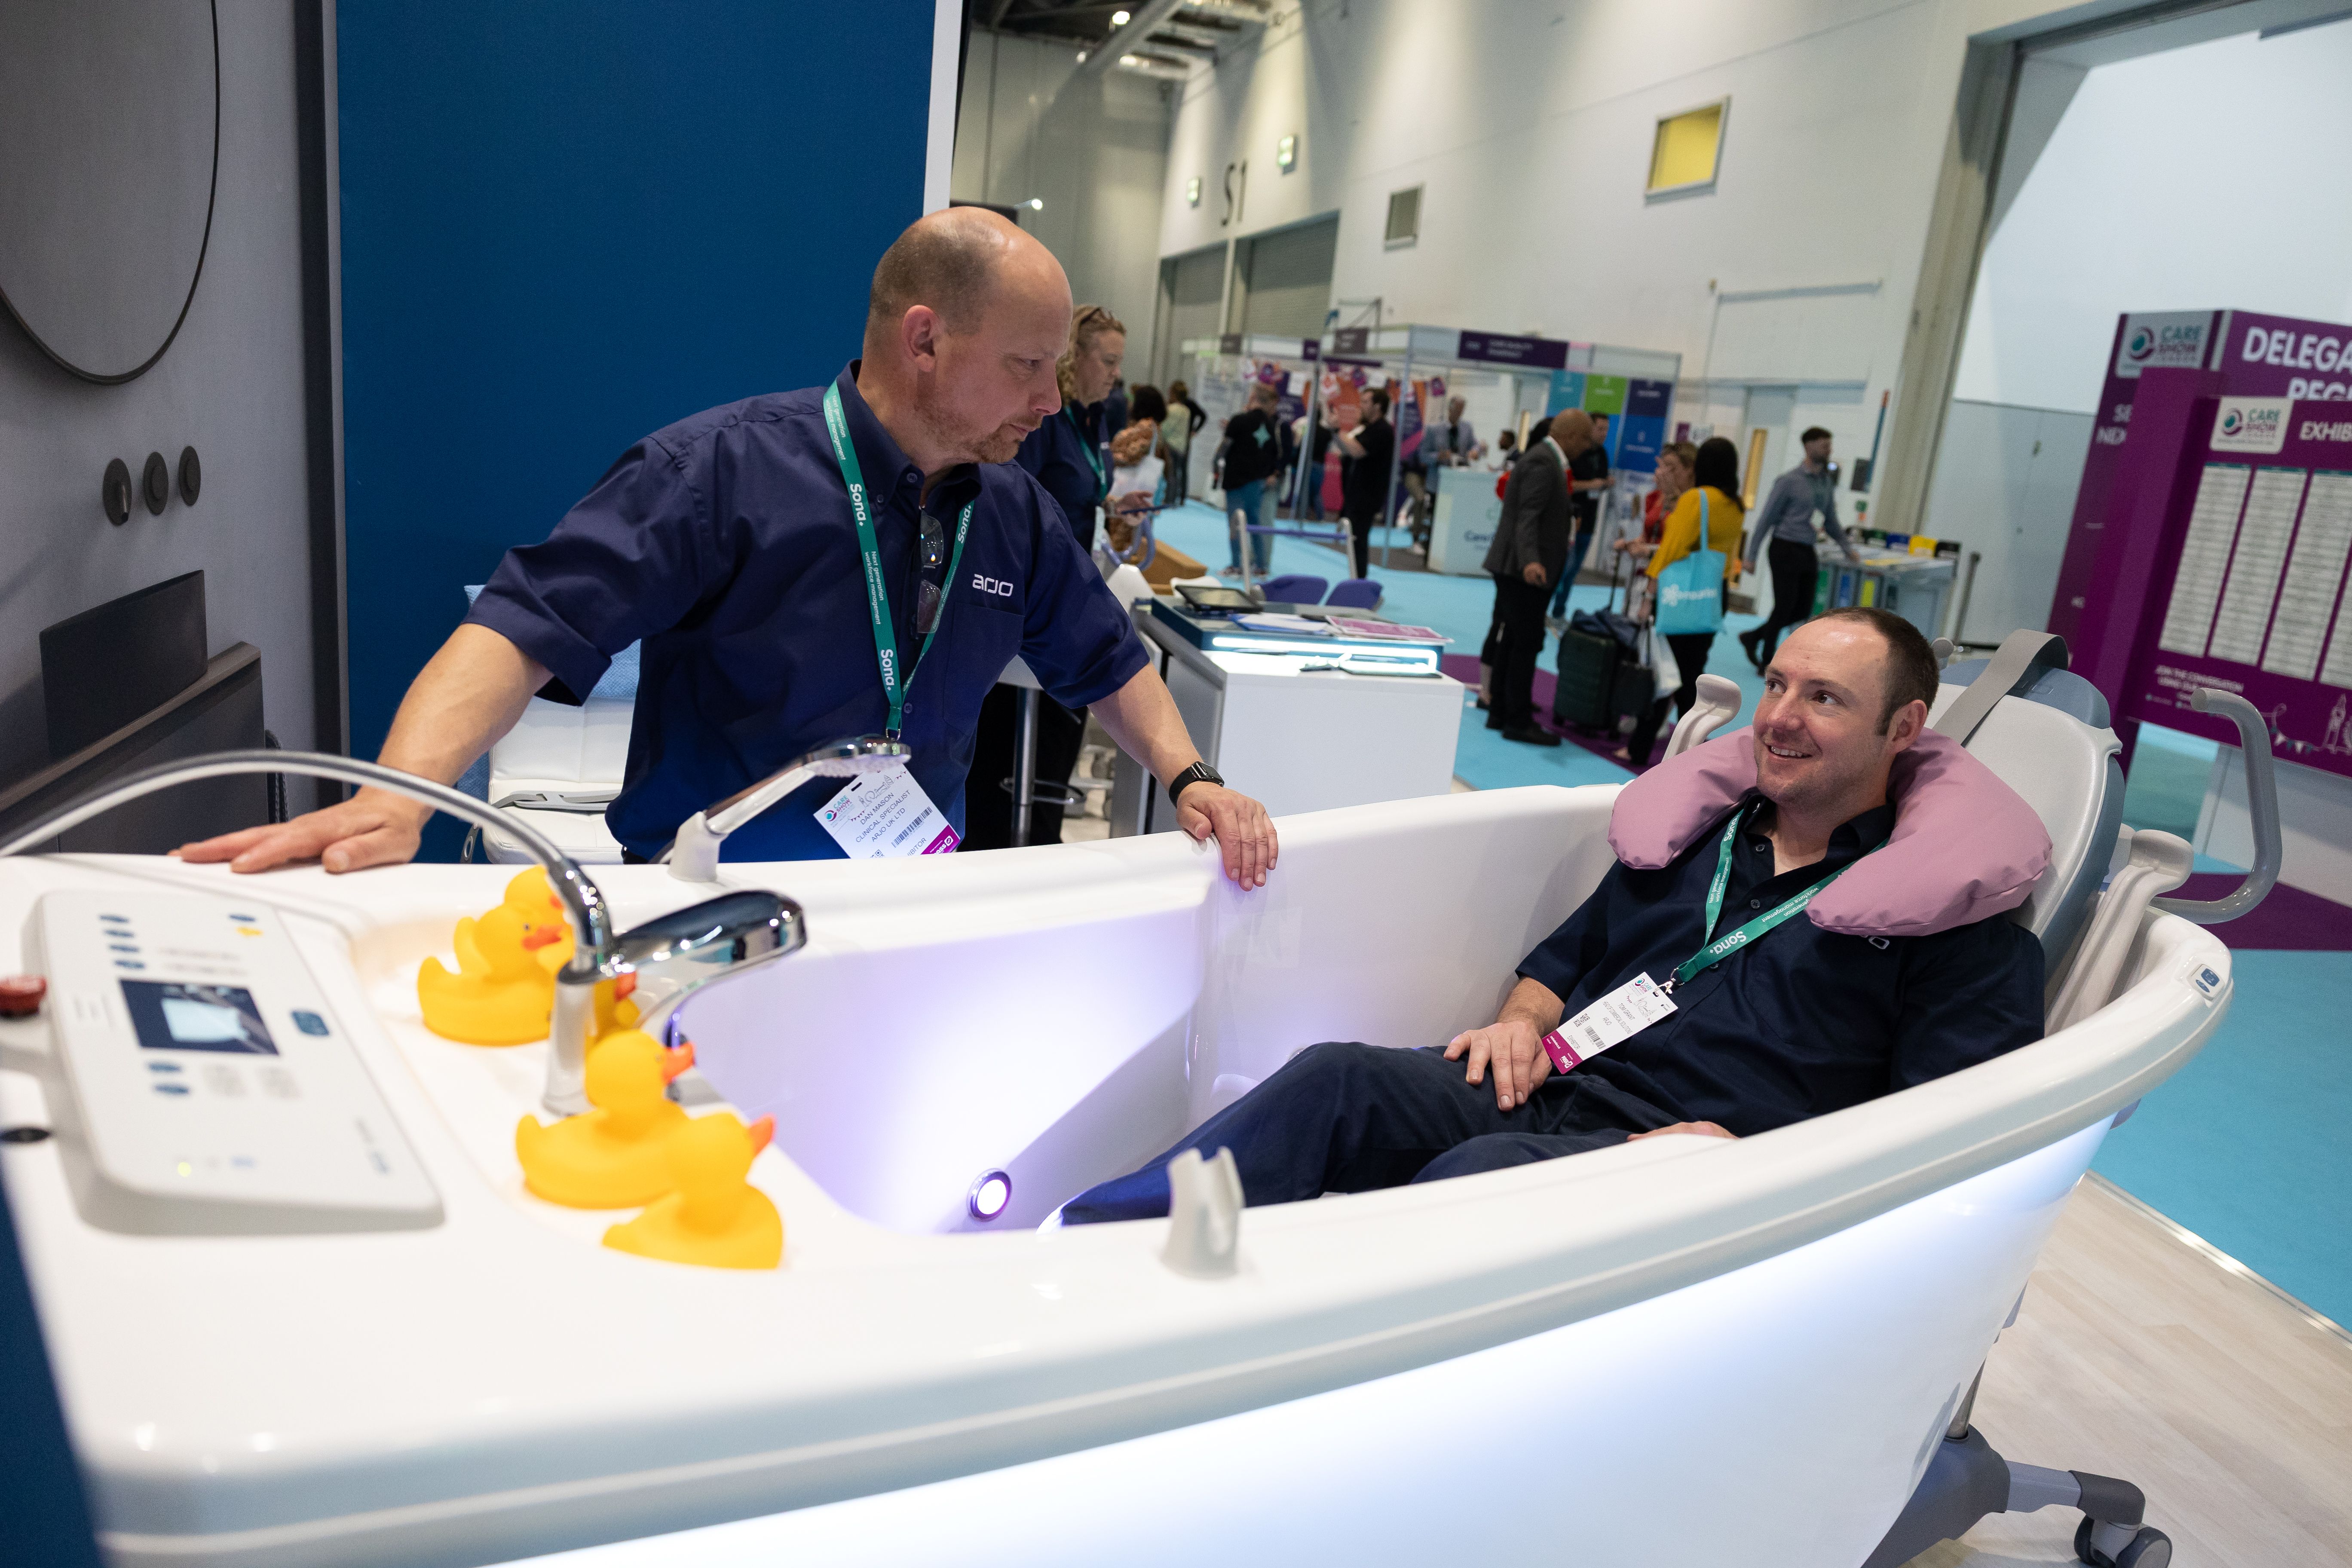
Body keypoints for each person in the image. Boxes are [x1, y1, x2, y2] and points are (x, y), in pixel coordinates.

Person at [181, 209, 1278, 887]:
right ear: (925, 341)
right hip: (709, 910)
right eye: (1027, 366)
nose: (1049, 400)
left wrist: (1190, 776)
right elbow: (522, 627)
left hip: (910, 905)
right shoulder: (718, 475)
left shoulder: (1013, 512)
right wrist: (400, 796)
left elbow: (1108, 661)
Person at [1059, 608, 2045, 1223]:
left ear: (1902, 729)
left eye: (1824, 699)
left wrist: (1735, 1166)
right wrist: (1519, 1024)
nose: (1780, 718)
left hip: (1699, 1173)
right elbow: (1564, 959)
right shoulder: (1705, 834)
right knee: (1337, 1078)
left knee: (1475, 1177)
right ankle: (1096, 1245)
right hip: (1554, 1083)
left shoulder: (1949, 926)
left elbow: (1939, 1147)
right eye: (1777, 685)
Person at [971, 303, 1152, 850]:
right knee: (1018, 751)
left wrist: (1113, 505)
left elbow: (1074, 492)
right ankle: (1009, 848)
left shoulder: (1098, 419)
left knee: (1058, 742)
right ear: (1076, 358)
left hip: (1070, 597)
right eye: (1108, 361)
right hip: (1031, 611)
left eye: (1120, 362)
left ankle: (1039, 843)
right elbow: (1012, 505)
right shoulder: (1044, 421)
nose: (1116, 373)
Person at [1621, 436, 1746, 767]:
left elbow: (1670, 552)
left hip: (1679, 594)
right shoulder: (1736, 506)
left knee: (1664, 671)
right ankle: (1693, 746)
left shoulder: (1696, 499)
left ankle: (1642, 747)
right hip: (1713, 594)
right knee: (1690, 673)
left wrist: (1649, 595)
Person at [1738, 426, 1859, 673]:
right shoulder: (1788, 481)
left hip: (1807, 550)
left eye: (1829, 445)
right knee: (1784, 606)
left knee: (1803, 609)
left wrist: (1847, 548)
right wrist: (1751, 556)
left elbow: (1831, 521)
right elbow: (1766, 519)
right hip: (1784, 548)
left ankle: (1754, 637)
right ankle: (1767, 660)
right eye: (1825, 445)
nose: (1829, 450)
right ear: (1808, 446)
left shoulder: (1826, 483)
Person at [1480, 413, 1566, 747]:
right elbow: (1528, 516)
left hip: (1517, 565)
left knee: (1513, 638)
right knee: (1524, 642)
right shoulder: (1544, 462)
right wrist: (1531, 559)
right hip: (1522, 568)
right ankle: (1516, 719)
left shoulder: (1540, 459)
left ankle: (1501, 710)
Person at [1215, 383, 1284, 578]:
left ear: (1253, 398)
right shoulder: (1271, 426)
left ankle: (1237, 565)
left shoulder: (1239, 420)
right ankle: (1261, 566)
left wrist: (1216, 467)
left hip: (1236, 481)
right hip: (1256, 483)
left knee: (1235, 525)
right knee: (1255, 524)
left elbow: (1224, 448)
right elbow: (1275, 455)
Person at [1549, 409, 1609, 619]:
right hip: (1571, 520)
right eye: (1600, 429)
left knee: (1573, 572)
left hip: (1589, 520)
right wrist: (1590, 485)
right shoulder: (1575, 453)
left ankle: (1559, 612)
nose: (1603, 434)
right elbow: (1566, 484)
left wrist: (1604, 484)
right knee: (1563, 568)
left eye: (1607, 430)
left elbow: (1600, 482)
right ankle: (1542, 608)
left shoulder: (1602, 454)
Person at [1334, 386, 1395, 578]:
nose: (1361, 406)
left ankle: (1359, 583)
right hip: (1357, 493)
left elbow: (1357, 450)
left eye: (1365, 402)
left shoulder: (1382, 430)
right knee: (1354, 541)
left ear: (1378, 406)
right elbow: (1348, 448)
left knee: (1358, 541)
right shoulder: (1369, 428)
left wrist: (1337, 430)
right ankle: (1357, 580)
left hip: (1367, 496)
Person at [1162, 379, 1207, 506]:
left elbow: (1166, 428)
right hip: (1182, 445)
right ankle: (1180, 498)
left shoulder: (1171, 409)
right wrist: (1194, 431)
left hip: (1171, 444)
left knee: (1171, 473)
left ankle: (1169, 499)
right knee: (1180, 472)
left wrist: (1162, 438)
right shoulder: (1187, 410)